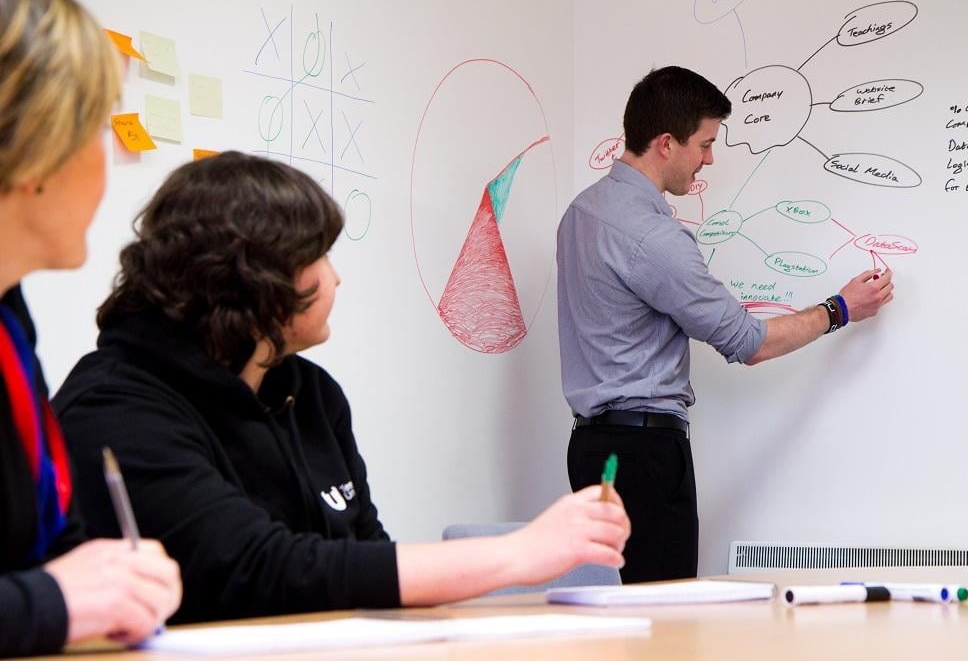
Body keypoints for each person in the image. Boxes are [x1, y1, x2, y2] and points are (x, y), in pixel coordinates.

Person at [53, 151, 630, 624]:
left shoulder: (311, 394)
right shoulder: (117, 407)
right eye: (319, 256)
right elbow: (262, 569)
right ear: (256, 279)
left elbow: (363, 553)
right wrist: (517, 555)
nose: (336, 276)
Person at [557, 66, 894, 584]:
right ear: (666, 143)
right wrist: (840, 309)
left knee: (618, 620)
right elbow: (748, 342)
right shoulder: (652, 238)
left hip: (590, 451)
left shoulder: (579, 215)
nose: (709, 159)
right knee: (663, 626)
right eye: (705, 143)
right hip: (643, 458)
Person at [0, 0, 182, 655]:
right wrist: (53, 600)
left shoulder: (10, 321)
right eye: (100, 131)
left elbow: (47, 547)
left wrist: (111, 581)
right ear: (37, 146)